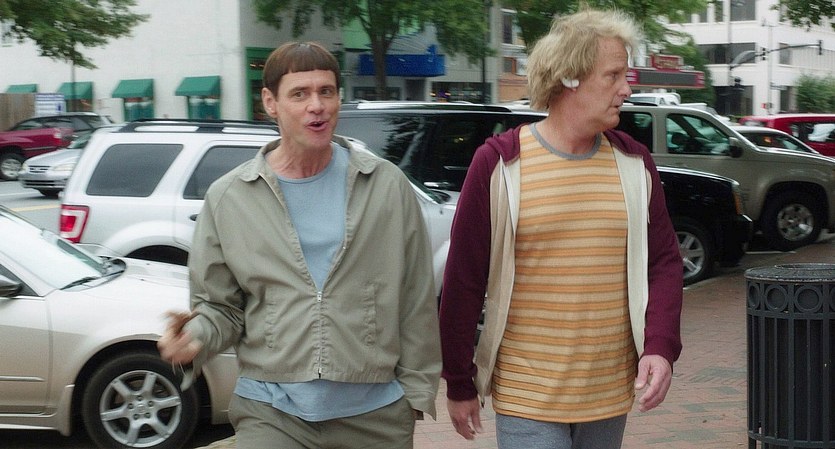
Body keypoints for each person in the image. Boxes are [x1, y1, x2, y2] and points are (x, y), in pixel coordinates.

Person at [158, 41, 441, 449]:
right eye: (300, 94)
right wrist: (194, 338)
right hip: (272, 410)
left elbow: (415, 298)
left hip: (375, 415)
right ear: (270, 102)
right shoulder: (229, 197)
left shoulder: (385, 185)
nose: (317, 106)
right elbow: (221, 307)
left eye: (327, 91)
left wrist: (414, 396)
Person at [439, 9, 683, 448]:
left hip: (609, 394)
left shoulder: (634, 163)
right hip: (526, 395)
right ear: (570, 77)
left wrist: (660, 346)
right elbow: (464, 280)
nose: (627, 89)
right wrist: (459, 381)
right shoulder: (500, 164)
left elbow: (663, 263)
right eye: (613, 75)